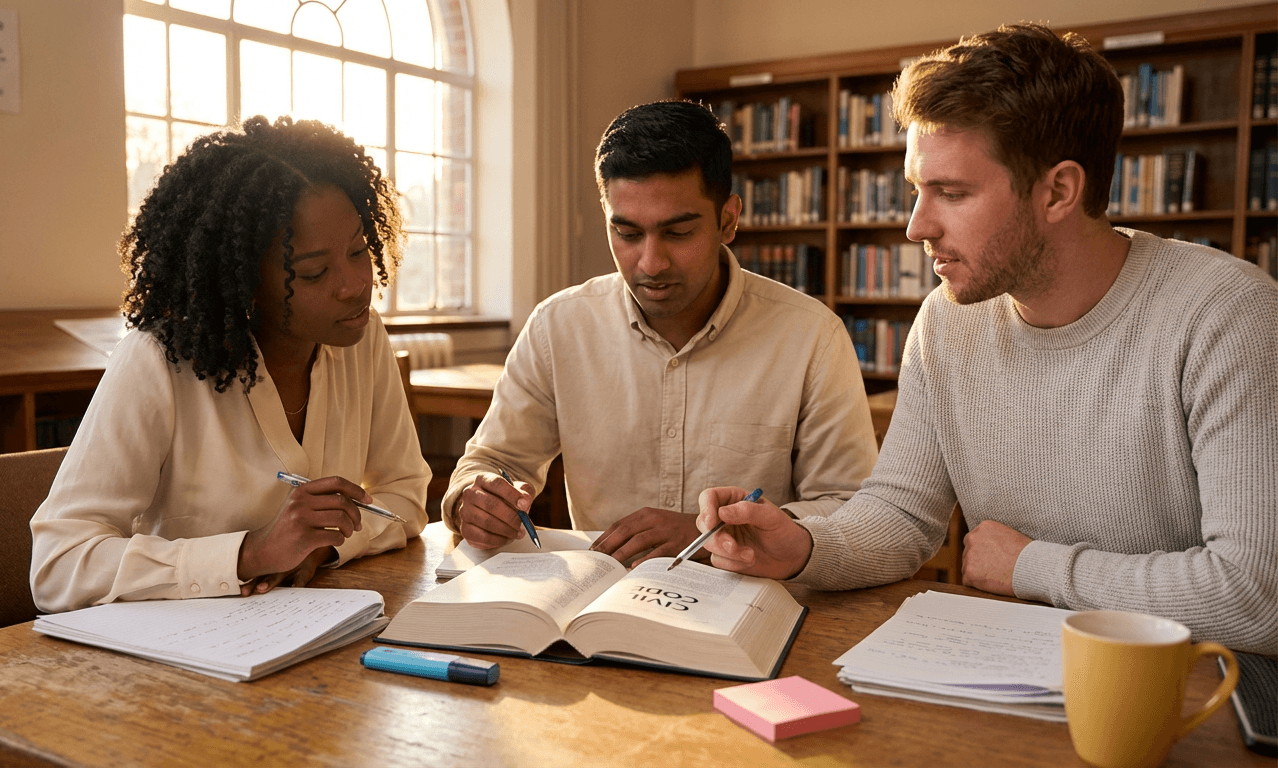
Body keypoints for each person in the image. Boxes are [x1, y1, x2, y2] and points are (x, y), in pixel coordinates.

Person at [696, 24, 1277, 654]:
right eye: (918, 190)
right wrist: (805, 545)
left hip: (1184, 703)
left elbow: (1254, 596)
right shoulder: (947, 322)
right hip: (1010, 673)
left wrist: (1031, 567)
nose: (917, 227)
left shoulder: (1227, 317)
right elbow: (900, 515)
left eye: (952, 193)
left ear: (1059, 191)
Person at [442, 100, 877, 566]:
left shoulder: (811, 338)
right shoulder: (558, 327)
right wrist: (477, 497)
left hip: (748, 605)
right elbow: (490, 462)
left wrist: (714, 533)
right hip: (597, 606)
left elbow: (850, 510)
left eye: (678, 233)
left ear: (728, 220)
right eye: (628, 234)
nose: (651, 264)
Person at [30, 116, 430, 613]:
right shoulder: (159, 361)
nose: (354, 285)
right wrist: (247, 553)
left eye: (357, 251)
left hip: (305, 637)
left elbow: (406, 496)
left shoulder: (363, 342)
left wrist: (324, 544)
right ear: (243, 284)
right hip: (175, 661)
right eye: (314, 271)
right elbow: (58, 563)